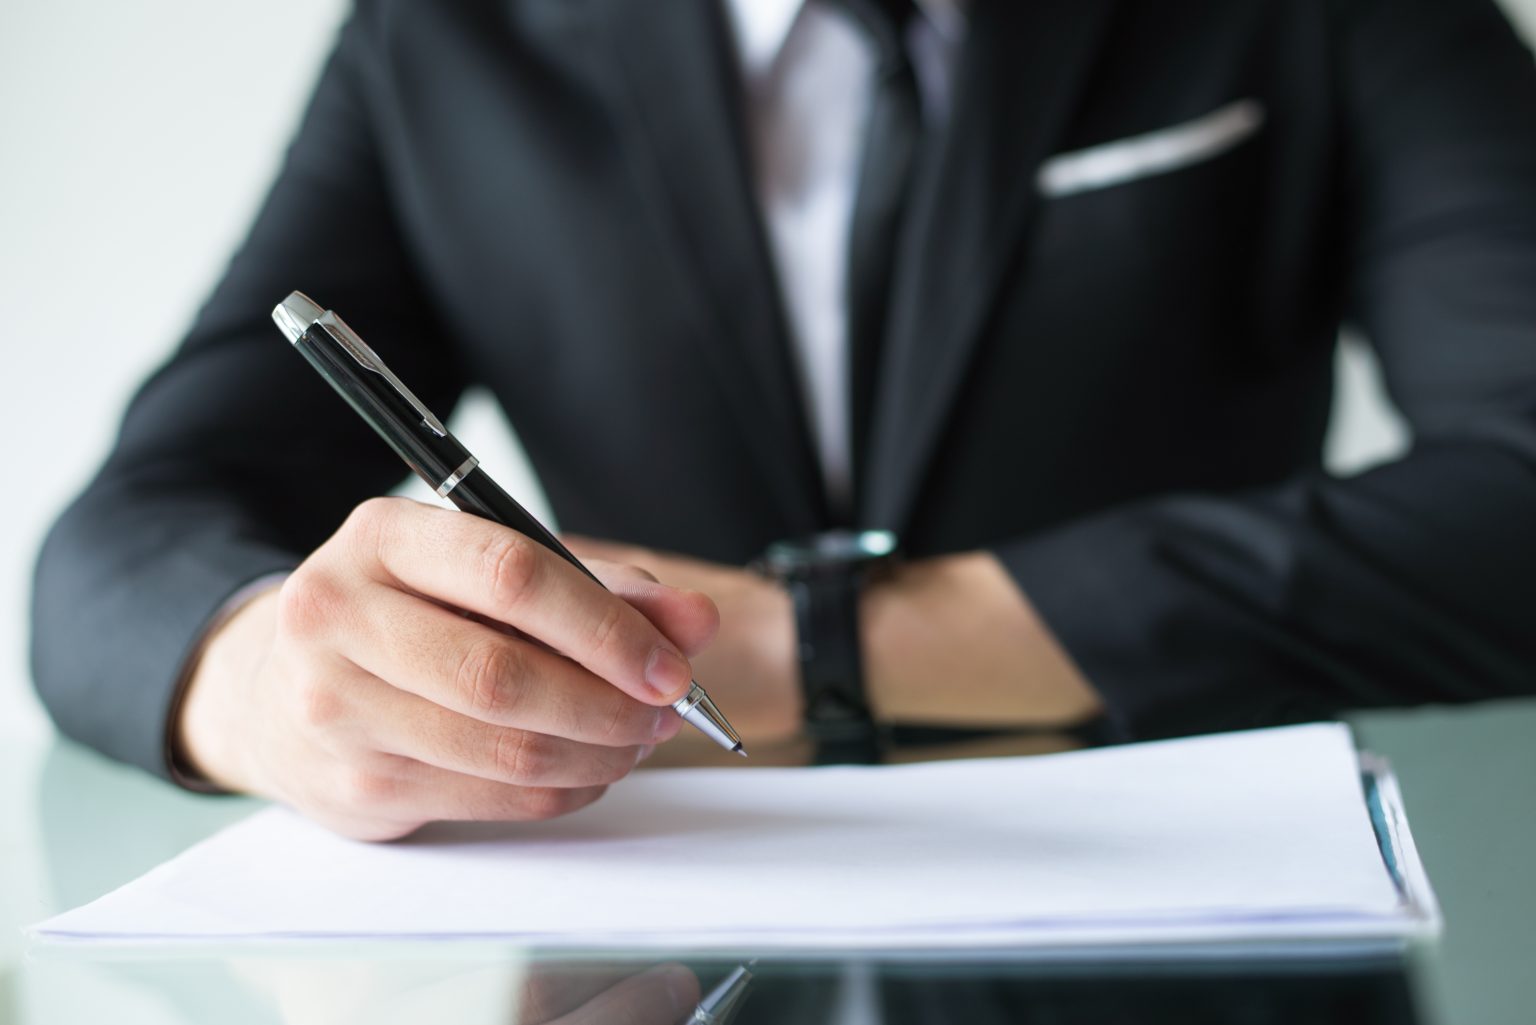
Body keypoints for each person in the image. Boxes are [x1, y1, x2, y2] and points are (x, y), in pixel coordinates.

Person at [31, 0, 1536, 840]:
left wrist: (807, 645)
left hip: (1210, 911)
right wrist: (266, 679)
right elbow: (122, 543)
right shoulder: (442, 41)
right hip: (668, 927)